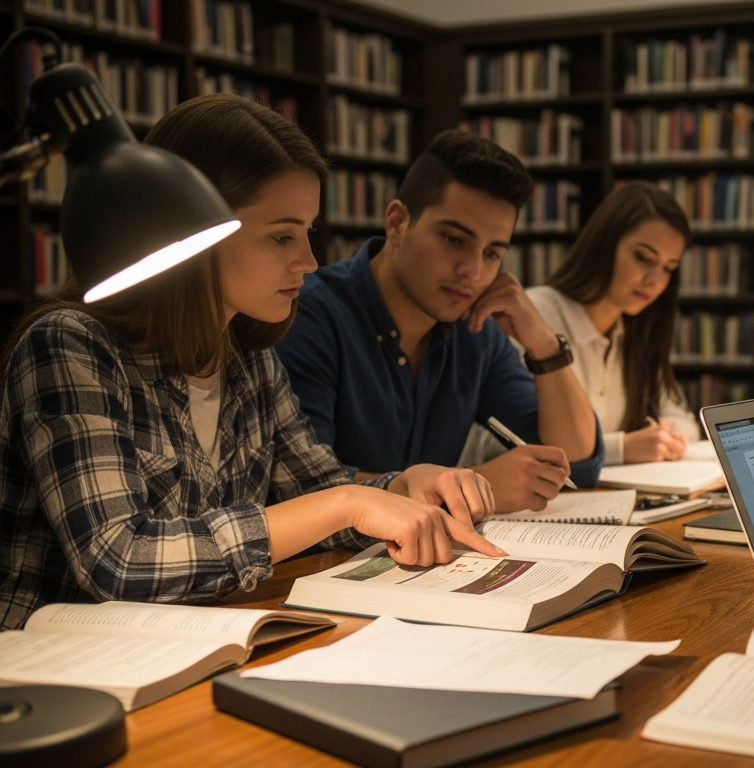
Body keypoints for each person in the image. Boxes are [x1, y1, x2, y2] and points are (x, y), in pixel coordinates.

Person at [0, 95, 505, 631]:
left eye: (308, 233)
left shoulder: (248, 360)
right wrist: (346, 503)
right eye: (282, 236)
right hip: (54, 661)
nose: (309, 262)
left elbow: (316, 494)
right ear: (189, 232)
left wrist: (405, 487)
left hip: (189, 643)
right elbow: (119, 560)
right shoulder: (70, 345)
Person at [276, 131, 604, 513]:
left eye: (492, 253)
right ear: (397, 222)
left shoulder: (476, 331)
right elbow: (306, 491)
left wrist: (545, 346)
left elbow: (575, 466)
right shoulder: (310, 314)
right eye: (454, 239)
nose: (473, 271)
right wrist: (468, 486)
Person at [524, 182, 701, 466]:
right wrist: (622, 448)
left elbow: (684, 420)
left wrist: (666, 435)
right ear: (603, 245)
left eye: (668, 268)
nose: (655, 280)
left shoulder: (638, 331)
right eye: (643, 258)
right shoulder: (533, 317)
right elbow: (516, 445)